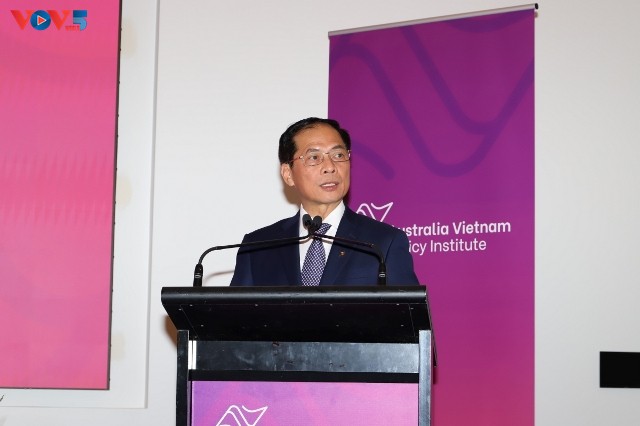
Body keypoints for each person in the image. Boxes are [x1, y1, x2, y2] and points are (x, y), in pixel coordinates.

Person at [230, 117, 419, 286]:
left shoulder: (383, 243)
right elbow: (237, 315)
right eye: (314, 157)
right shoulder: (258, 247)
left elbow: (405, 314)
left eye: (338, 155)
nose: (330, 167)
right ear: (288, 174)